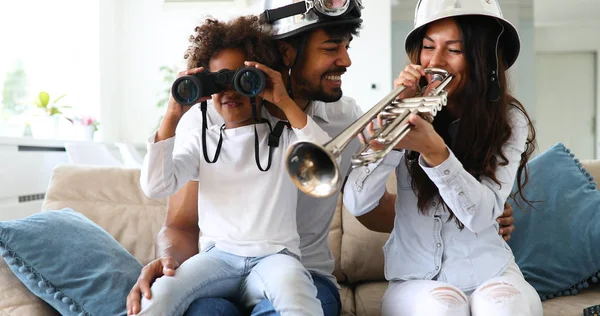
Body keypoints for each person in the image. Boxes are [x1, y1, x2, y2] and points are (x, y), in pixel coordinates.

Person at [126, 1, 516, 315]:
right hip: (221, 268)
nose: (346, 61)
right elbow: (179, 223)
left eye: (347, 47)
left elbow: (367, 207)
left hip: (304, 273)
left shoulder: (346, 116)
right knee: (209, 310)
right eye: (331, 49)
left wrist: (464, 213)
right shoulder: (216, 113)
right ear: (285, 52)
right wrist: (167, 264)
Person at [342, 0, 542, 315]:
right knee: (443, 307)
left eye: (454, 50)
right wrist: (393, 137)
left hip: (492, 273)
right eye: (427, 47)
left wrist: (435, 151)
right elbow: (357, 202)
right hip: (415, 281)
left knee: (502, 305)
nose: (435, 62)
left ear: (483, 58)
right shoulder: (403, 109)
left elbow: (480, 215)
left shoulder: (509, 119)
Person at [135, 15, 332, 316]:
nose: (229, 91)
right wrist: (173, 115)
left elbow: (327, 157)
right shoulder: (203, 141)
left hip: (275, 258)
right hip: (217, 259)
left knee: (297, 294)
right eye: (218, 81)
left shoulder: (285, 137)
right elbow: (156, 185)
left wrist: (283, 100)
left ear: (261, 81)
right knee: (159, 295)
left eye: (242, 79)